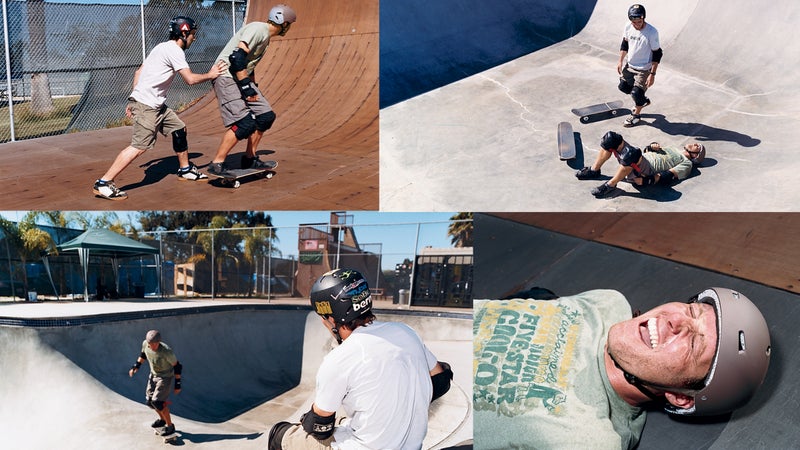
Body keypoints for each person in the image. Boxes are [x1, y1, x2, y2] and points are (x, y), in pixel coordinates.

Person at [473, 287, 770, 449]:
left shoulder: (587, 440)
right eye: (692, 311)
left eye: (694, 345)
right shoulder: (608, 301)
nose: (675, 321)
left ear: (681, 397)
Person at [268, 268, 454, 449]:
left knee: (280, 434)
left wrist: (307, 421)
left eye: (323, 319)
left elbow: (320, 427)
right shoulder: (406, 332)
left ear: (332, 319)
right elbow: (441, 380)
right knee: (344, 421)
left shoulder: (338, 359)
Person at [93, 16, 225, 200]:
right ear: (184, 32)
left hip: (155, 105)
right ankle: (104, 182)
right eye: (193, 34)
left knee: (179, 128)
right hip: (148, 106)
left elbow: (138, 71)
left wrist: (133, 98)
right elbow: (190, 80)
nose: (194, 39)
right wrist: (211, 74)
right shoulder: (175, 51)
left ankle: (185, 169)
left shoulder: (160, 47)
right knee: (139, 147)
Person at [206, 4, 297, 177]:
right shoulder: (258, 29)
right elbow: (237, 58)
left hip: (239, 78)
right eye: (289, 24)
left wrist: (253, 85)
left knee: (265, 116)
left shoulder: (266, 38)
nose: (289, 28)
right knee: (244, 123)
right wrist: (247, 87)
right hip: (226, 77)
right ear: (283, 23)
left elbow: (248, 64)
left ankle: (250, 158)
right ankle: (217, 163)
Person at [577, 131, 707, 197]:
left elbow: (670, 175)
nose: (696, 144)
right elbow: (647, 152)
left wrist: (648, 181)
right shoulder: (673, 148)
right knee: (611, 139)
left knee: (631, 155)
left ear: (696, 156)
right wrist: (652, 147)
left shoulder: (687, 163)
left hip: (646, 170)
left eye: (698, 147)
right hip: (640, 160)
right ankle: (594, 170)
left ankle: (610, 185)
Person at [129, 330, 183, 437]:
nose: (153, 346)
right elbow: (143, 355)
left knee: (158, 402)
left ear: (159, 342)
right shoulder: (145, 344)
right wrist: (136, 366)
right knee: (150, 402)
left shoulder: (166, 351)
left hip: (165, 378)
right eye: (150, 344)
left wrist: (177, 384)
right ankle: (162, 420)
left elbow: (177, 366)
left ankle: (170, 426)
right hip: (153, 375)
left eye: (155, 344)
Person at [617, 4, 662, 127]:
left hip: (644, 69)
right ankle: (643, 101)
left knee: (636, 93)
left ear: (644, 18)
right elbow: (625, 44)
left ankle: (636, 116)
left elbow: (657, 53)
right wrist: (620, 61)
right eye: (634, 22)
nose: (637, 25)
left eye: (639, 22)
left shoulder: (651, 32)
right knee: (623, 87)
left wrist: (652, 74)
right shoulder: (628, 26)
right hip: (630, 65)